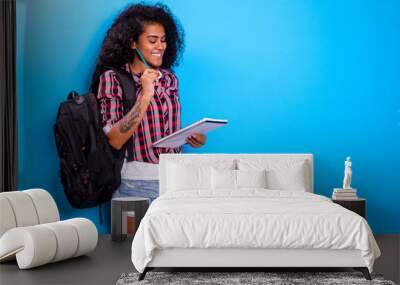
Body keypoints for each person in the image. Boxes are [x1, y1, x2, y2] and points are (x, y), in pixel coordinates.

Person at [91, 3, 206, 202]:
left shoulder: (169, 78)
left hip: (176, 180)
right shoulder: (113, 79)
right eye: (152, 40)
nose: (160, 46)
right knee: (133, 235)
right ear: (133, 43)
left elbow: (167, 130)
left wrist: (191, 137)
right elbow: (115, 139)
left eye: (163, 40)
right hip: (135, 183)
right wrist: (145, 94)